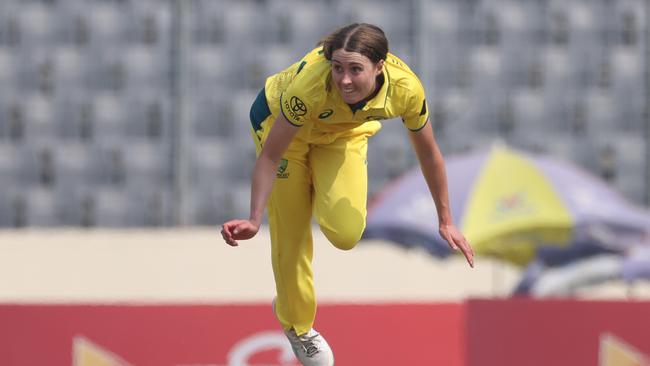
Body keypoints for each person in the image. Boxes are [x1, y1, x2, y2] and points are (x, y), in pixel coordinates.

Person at [221, 23, 474, 366]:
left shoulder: (406, 90)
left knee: (345, 234)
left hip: (342, 134)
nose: (344, 80)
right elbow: (270, 155)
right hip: (284, 136)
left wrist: (446, 220)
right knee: (291, 234)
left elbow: (429, 153)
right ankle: (297, 324)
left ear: (380, 66)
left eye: (356, 70)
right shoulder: (309, 86)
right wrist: (254, 218)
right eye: (338, 68)